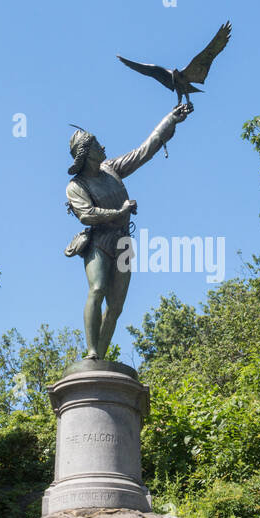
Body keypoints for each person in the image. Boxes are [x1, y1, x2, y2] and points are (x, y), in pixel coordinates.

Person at [66, 104, 191, 358]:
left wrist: (169, 120)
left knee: (116, 306)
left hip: (123, 243)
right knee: (98, 289)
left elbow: (144, 151)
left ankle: (99, 358)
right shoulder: (76, 186)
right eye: (98, 144)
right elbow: (86, 215)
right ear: (87, 152)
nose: (103, 147)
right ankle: (91, 352)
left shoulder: (111, 168)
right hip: (98, 242)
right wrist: (119, 212)